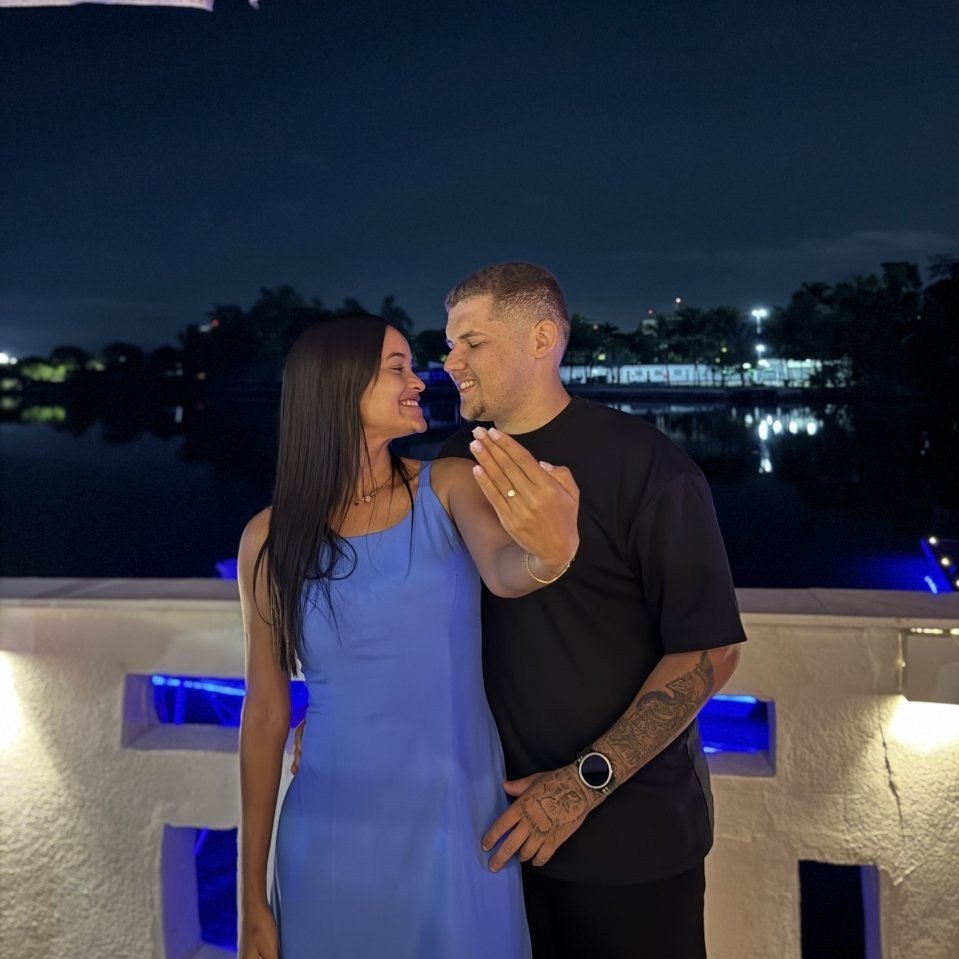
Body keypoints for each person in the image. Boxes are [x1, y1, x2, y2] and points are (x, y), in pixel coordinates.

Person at [237, 314, 579, 959]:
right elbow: (265, 714)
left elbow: (508, 572)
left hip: (455, 820)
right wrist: (251, 897)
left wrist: (552, 551)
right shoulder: (268, 538)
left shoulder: (448, 486)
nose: (419, 381)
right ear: (339, 388)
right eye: (397, 368)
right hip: (328, 831)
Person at [436, 263, 748, 958]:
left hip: (631, 844)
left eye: (472, 343)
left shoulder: (647, 465)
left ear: (542, 339)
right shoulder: (456, 463)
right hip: (492, 837)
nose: (450, 361)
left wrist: (582, 784)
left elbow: (710, 650)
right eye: (449, 344)